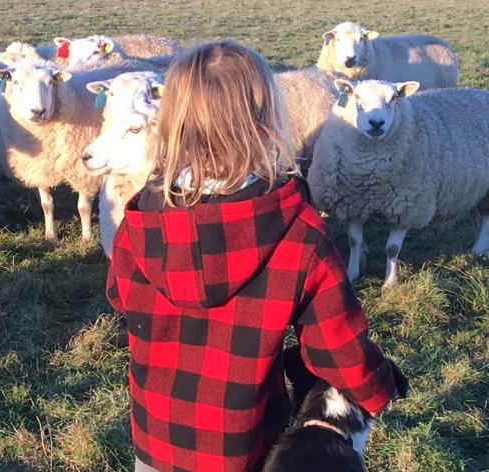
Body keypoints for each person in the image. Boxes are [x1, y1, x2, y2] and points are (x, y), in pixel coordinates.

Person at [105, 40, 403, 472]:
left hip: (156, 438)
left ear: (172, 120)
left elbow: (119, 295)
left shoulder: (139, 220)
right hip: (242, 445)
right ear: (265, 120)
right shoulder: (298, 232)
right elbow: (336, 346)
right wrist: (378, 387)